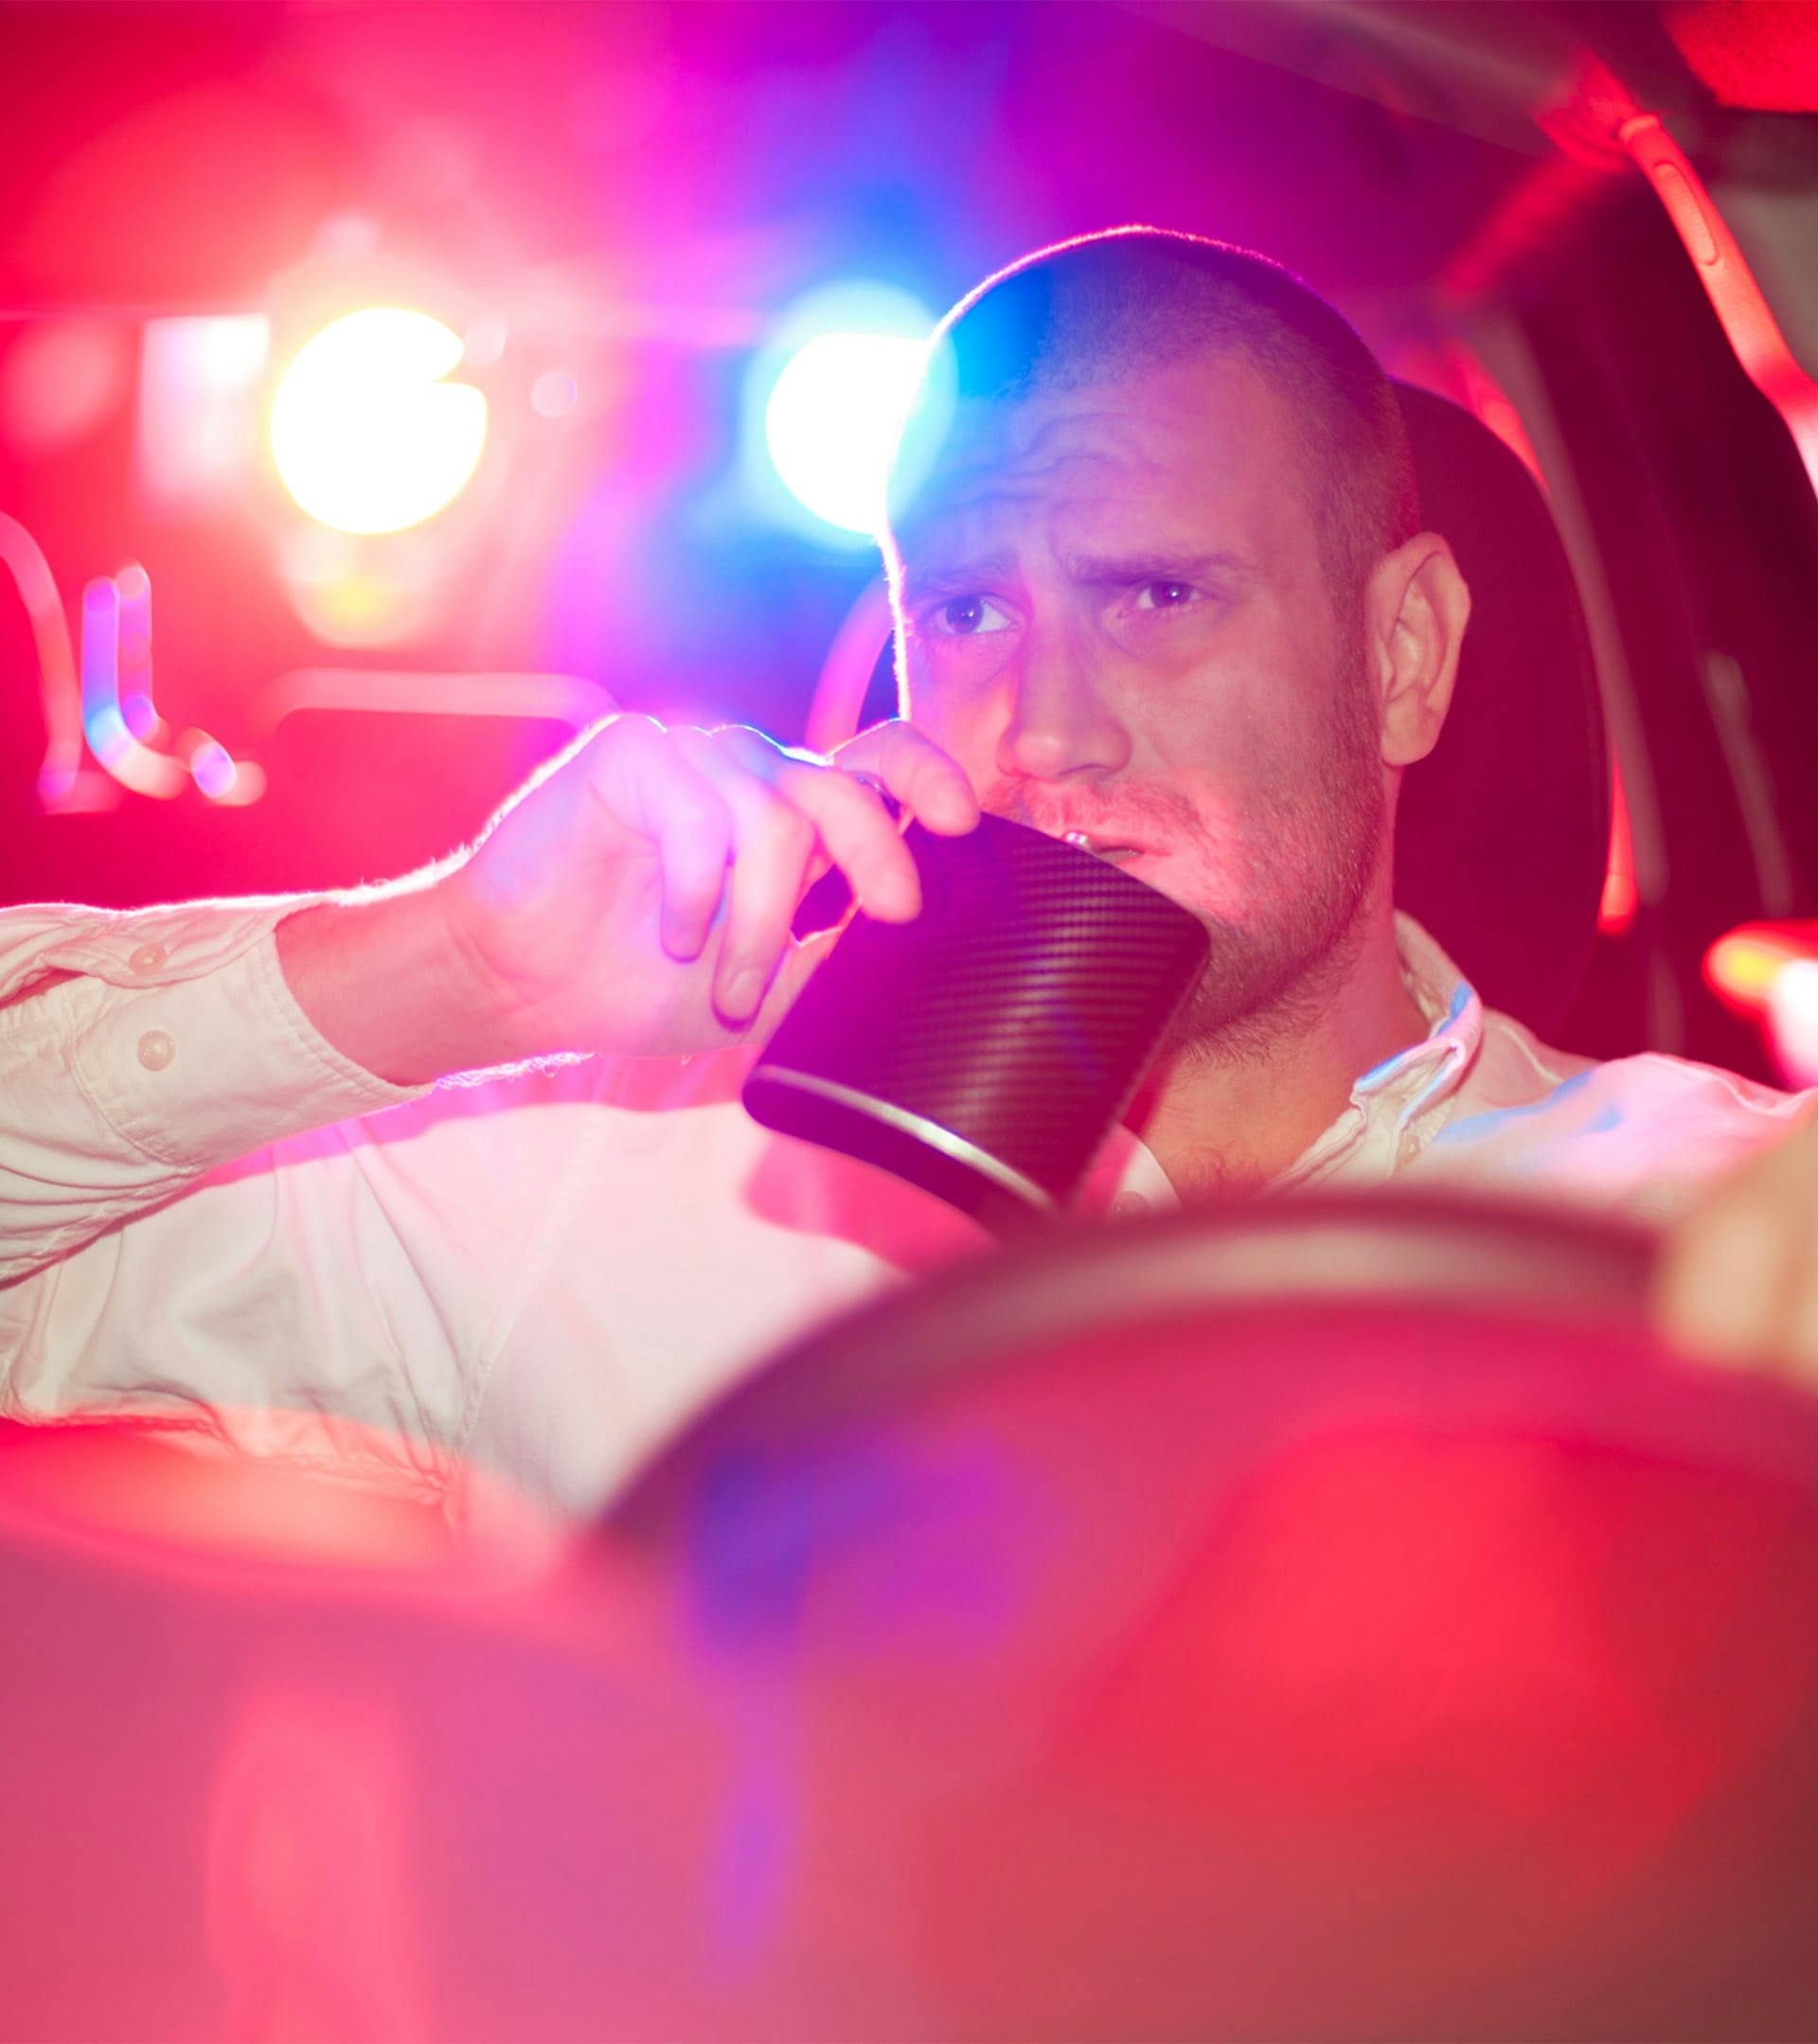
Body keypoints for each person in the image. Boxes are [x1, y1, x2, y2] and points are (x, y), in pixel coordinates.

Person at [1, 226, 1813, 1523]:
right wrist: (451, 972)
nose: (1047, 732)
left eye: (1157, 599)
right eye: (967, 613)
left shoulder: (1719, 1230)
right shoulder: (586, 1162)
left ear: (1403, 655)